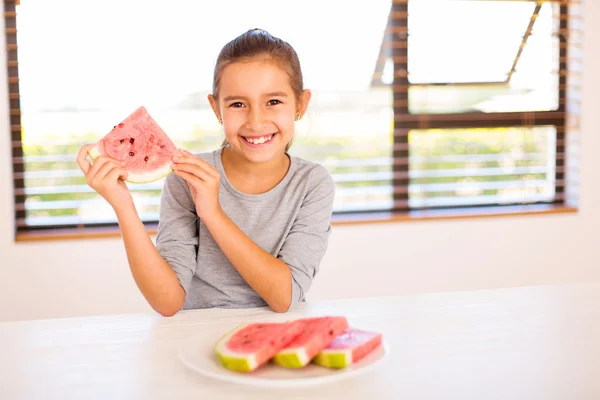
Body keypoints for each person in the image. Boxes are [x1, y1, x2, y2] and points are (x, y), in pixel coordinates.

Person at [76, 29, 336, 316]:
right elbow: (167, 302)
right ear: (216, 108)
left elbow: (284, 297)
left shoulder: (312, 183)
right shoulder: (186, 178)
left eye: (273, 102)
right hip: (193, 334)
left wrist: (213, 213)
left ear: (300, 104)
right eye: (237, 104)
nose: (256, 121)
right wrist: (123, 206)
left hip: (278, 337)